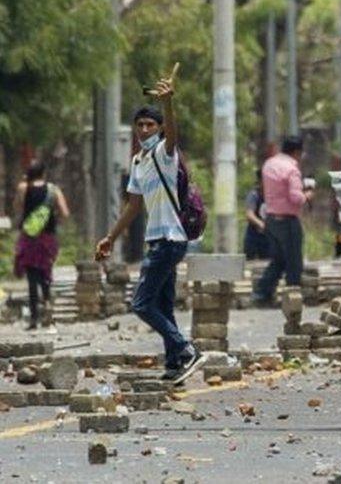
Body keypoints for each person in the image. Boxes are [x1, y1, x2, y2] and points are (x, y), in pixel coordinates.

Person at [95, 67, 206, 385]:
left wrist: (168, 103)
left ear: (158, 127)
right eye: (140, 125)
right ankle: (175, 366)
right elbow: (133, 206)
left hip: (172, 238)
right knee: (162, 304)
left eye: (150, 124)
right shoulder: (137, 162)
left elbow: (173, 135)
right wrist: (110, 238)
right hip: (156, 239)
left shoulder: (164, 152)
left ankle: (185, 349)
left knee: (141, 304)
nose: (145, 129)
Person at [252, 135, 313, 305]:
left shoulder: (269, 164)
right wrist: (307, 195)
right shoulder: (292, 169)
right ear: (296, 152)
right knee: (294, 262)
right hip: (288, 222)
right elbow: (296, 198)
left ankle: (262, 294)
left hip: (271, 219)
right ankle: (292, 298)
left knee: (278, 260)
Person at [13, 160, 70, 329]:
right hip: (48, 238)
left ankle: (34, 319)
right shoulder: (53, 190)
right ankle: (47, 309)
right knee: (45, 273)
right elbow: (65, 213)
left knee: (32, 277)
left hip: (29, 237)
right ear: (44, 173)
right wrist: (50, 218)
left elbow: (17, 208)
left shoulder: (23, 188)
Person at [243, 169, 270, 261]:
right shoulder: (254, 195)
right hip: (253, 236)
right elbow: (249, 214)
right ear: (260, 181)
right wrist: (261, 224)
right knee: (249, 264)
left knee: (268, 263)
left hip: (268, 237)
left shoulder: (273, 196)